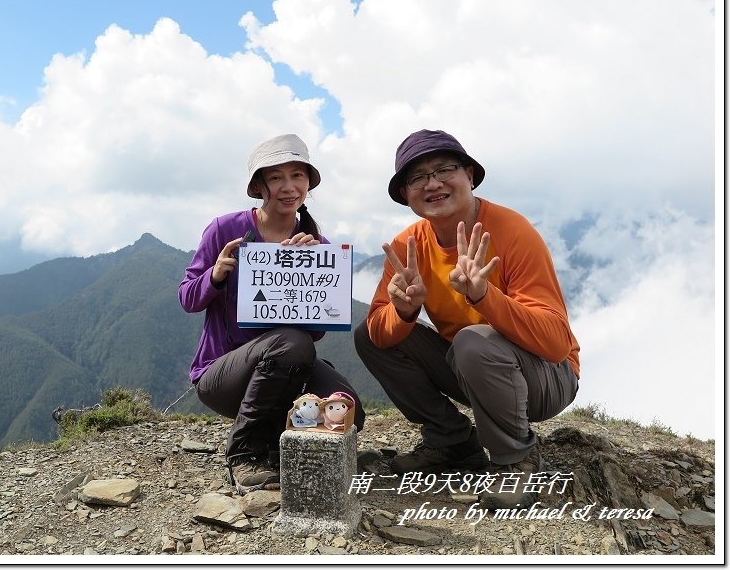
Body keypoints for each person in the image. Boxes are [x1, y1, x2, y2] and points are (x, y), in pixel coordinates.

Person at [354, 129, 579, 510]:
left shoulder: (513, 232)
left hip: (547, 377)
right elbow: (380, 333)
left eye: (445, 169)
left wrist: (483, 295)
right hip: (474, 367)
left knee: (472, 340)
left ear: (470, 176)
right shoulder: (409, 247)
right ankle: (452, 441)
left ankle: (515, 460)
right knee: (369, 334)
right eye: (418, 177)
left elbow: (556, 344)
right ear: (406, 195)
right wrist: (405, 311)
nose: (434, 183)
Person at [179, 133, 365, 494]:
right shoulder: (226, 230)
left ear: (309, 183)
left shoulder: (317, 246)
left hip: (284, 367)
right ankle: (245, 453)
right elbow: (188, 298)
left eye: (297, 175)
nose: (288, 186)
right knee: (291, 343)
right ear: (259, 185)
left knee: (347, 409)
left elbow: (315, 335)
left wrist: (309, 272)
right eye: (276, 177)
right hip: (222, 375)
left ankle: (284, 447)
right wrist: (215, 275)